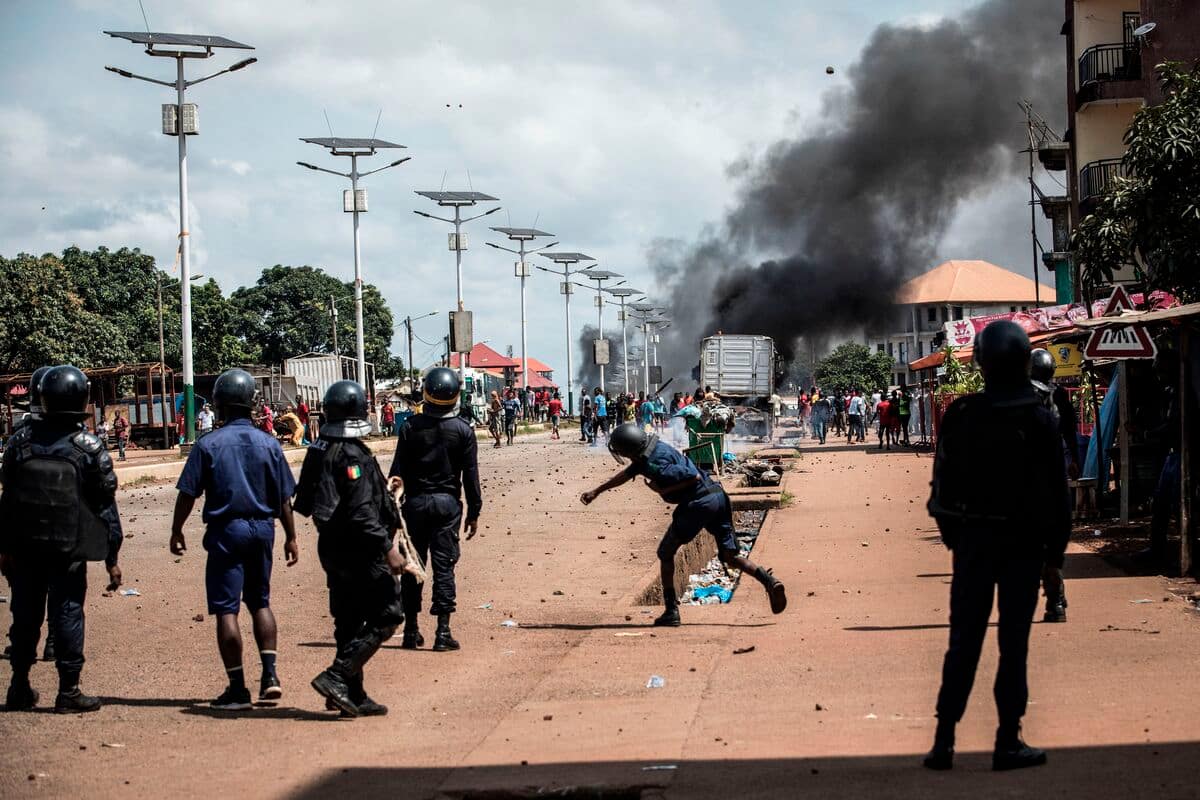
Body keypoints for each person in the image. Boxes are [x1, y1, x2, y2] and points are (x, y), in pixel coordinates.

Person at [924, 321, 1069, 772]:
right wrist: (1054, 554)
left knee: (963, 642)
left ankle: (944, 741)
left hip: (973, 544)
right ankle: (1008, 741)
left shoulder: (962, 414)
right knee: (1014, 644)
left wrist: (956, 538)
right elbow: (1058, 497)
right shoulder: (1041, 419)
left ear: (981, 363)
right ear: (1026, 361)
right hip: (1023, 547)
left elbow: (940, 489)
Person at [171, 369, 300, 710]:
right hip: (262, 530)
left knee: (227, 610)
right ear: (253, 404)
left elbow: (187, 493)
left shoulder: (208, 444)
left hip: (226, 532)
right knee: (260, 603)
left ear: (218, 404)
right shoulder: (269, 444)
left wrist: (176, 530)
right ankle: (270, 676)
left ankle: (237, 688)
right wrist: (291, 537)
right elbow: (284, 499)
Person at [1, 365, 124, 713]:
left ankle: (19, 686)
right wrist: (113, 557)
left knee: (24, 614)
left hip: (25, 547)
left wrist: (4, 548)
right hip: (68, 549)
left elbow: (7, 498)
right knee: (68, 612)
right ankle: (68, 691)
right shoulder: (88, 448)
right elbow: (106, 507)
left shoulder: (19, 442)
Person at [581, 424, 787, 626]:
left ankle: (671, 611)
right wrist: (597, 491)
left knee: (665, 552)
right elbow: (625, 475)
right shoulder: (655, 448)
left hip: (699, 503)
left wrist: (660, 490)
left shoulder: (652, 464)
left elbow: (692, 476)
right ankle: (769, 581)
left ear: (628, 450)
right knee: (730, 556)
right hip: (718, 496)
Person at [294, 380, 404, 717]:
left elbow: (308, 502)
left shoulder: (318, 449)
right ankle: (337, 676)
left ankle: (353, 694)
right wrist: (388, 549)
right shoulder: (351, 454)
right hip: (360, 549)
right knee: (388, 615)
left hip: (332, 547)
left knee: (349, 620)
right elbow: (360, 512)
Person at [388, 368, 481, 652]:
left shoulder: (410, 427)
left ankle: (411, 631)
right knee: (444, 568)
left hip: (414, 505)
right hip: (447, 506)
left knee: (413, 567)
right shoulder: (464, 431)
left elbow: (396, 474)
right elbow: (471, 478)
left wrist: (392, 514)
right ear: (455, 396)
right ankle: (443, 632)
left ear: (426, 393)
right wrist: (474, 512)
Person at [1030, 348, 1078, 622]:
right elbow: (1070, 429)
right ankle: (1056, 600)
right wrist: (1075, 460)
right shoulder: (1058, 394)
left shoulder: (1021, 396)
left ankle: (1054, 598)